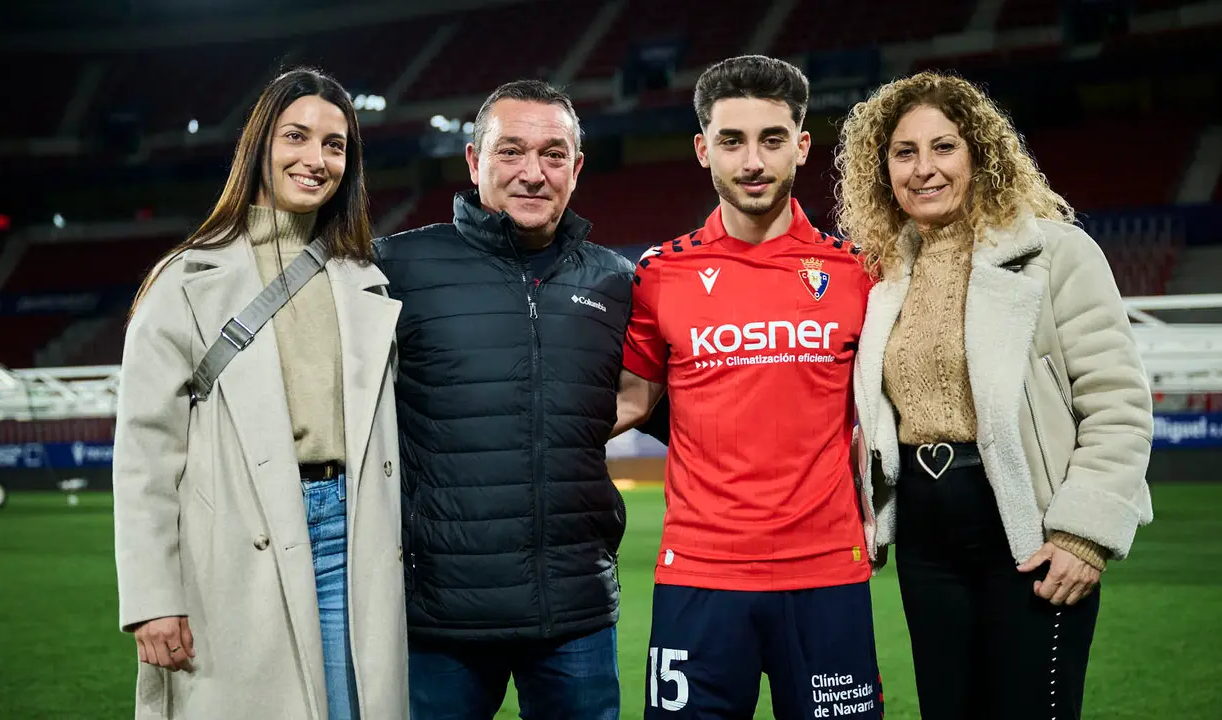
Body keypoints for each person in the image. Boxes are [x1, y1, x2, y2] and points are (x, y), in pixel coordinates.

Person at [836, 71, 1155, 720]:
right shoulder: (885, 275)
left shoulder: (1055, 253)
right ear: (884, 171)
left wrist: (1083, 535)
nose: (925, 169)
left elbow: (1118, 403)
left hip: (1026, 526)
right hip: (926, 533)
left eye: (944, 147)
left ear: (980, 154)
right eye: (905, 153)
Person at [113, 68, 406, 719]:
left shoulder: (365, 278)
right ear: (259, 147)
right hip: (234, 541)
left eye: (335, 145)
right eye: (296, 136)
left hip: (350, 533)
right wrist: (153, 596)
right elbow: (145, 454)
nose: (316, 159)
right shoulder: (185, 279)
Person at [612, 55, 883, 720]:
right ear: (704, 149)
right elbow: (632, 399)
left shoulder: (855, 272)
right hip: (699, 573)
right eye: (732, 141)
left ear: (802, 144)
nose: (753, 161)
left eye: (771, 139)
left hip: (826, 571)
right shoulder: (661, 274)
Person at [375, 79, 632, 720]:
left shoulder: (616, 280)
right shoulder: (395, 270)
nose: (533, 173)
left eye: (553, 154)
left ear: (576, 167)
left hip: (575, 613)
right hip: (442, 621)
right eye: (511, 151)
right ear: (474, 161)